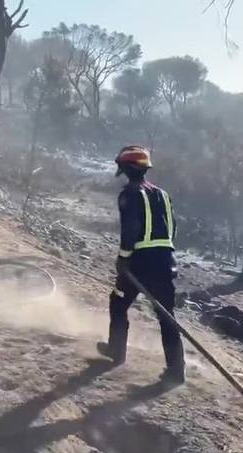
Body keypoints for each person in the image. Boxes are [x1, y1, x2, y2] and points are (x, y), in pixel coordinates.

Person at [98, 145, 186, 384]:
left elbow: (131, 230)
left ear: (125, 168)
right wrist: (164, 251)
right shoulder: (162, 195)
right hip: (166, 261)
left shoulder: (129, 194)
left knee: (118, 302)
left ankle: (116, 353)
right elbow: (173, 228)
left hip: (139, 262)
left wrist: (123, 258)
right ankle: (176, 370)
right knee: (167, 316)